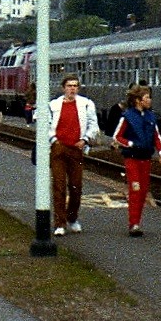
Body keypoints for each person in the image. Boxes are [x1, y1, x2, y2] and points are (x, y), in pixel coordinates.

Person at [47, 73, 100, 236]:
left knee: (76, 187)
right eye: (69, 86)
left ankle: (72, 218)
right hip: (59, 148)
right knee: (59, 186)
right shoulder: (54, 105)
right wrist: (54, 140)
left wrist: (85, 139)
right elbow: (46, 124)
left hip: (76, 149)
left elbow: (93, 125)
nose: (72, 89)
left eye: (75, 86)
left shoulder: (86, 104)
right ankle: (59, 223)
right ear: (63, 88)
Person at [112, 83, 161, 237]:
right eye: (147, 97)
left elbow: (157, 137)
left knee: (142, 192)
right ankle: (133, 224)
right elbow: (117, 136)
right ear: (138, 100)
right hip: (132, 159)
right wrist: (130, 144)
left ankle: (137, 221)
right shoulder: (127, 116)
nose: (150, 100)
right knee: (135, 189)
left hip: (146, 159)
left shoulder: (151, 116)